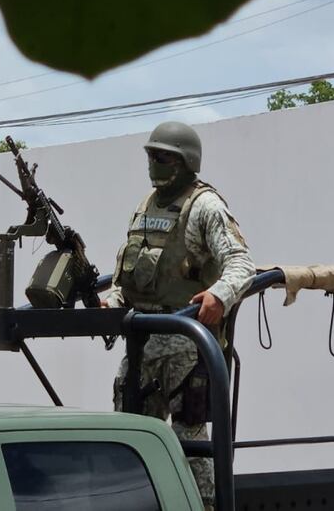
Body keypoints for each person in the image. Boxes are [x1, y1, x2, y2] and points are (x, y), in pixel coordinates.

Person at [102, 121, 256, 511]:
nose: (154, 163)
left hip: (186, 344)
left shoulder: (205, 206)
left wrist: (220, 295)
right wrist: (114, 299)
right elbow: (133, 274)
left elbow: (241, 263)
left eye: (163, 156)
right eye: (151, 155)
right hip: (142, 340)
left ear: (186, 161)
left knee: (190, 439)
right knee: (128, 435)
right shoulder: (145, 206)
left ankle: (205, 506)